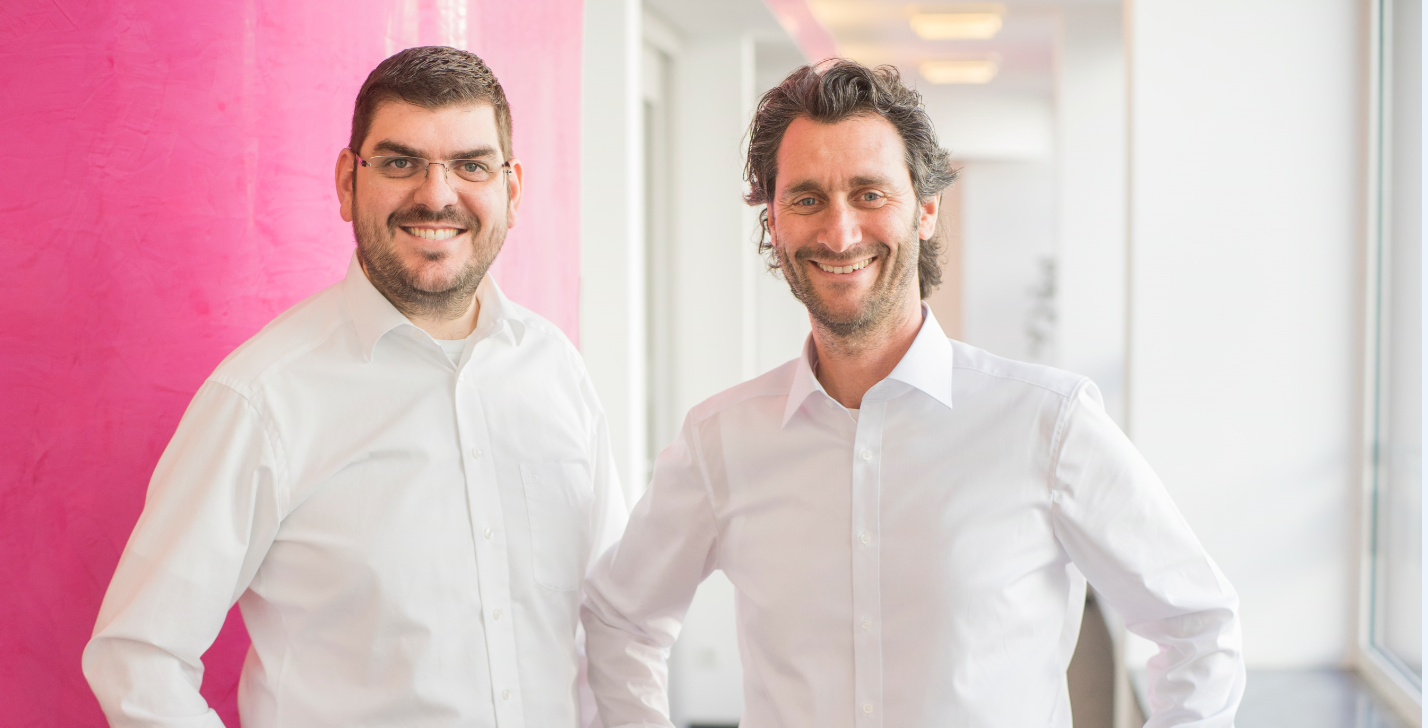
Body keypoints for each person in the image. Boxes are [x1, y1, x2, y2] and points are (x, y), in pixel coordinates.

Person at [581, 59, 1243, 728]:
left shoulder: (1048, 424)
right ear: (773, 223)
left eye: (870, 194)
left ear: (925, 210)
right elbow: (619, 621)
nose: (840, 233)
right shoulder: (721, 441)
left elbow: (1198, 627)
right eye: (807, 199)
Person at [83, 46, 626, 728]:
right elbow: (138, 658)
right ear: (348, 182)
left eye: (470, 165)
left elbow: (612, 617)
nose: (437, 195)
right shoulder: (263, 399)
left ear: (511, 191)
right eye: (400, 163)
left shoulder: (557, 371)